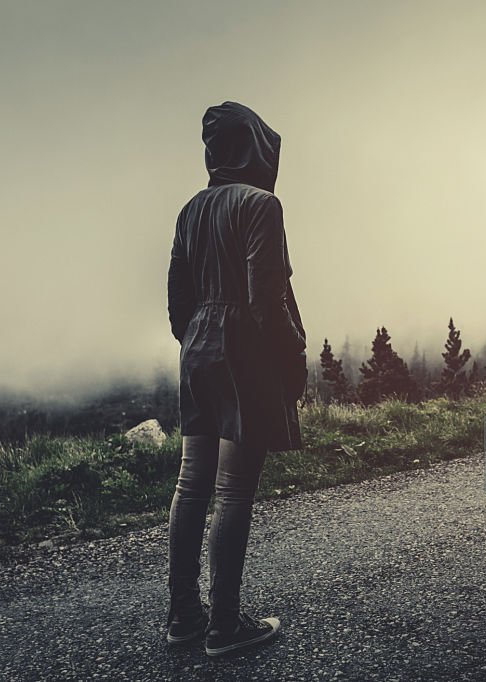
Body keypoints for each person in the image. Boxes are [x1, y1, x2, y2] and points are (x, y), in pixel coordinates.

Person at [165, 101, 307, 657]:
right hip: (245, 347)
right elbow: (266, 299)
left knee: (191, 483)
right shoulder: (262, 205)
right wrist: (292, 354)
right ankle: (226, 626)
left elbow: (178, 300)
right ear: (254, 146)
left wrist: (196, 339)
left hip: (197, 347)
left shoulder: (189, 210)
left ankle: (183, 619)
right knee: (235, 489)